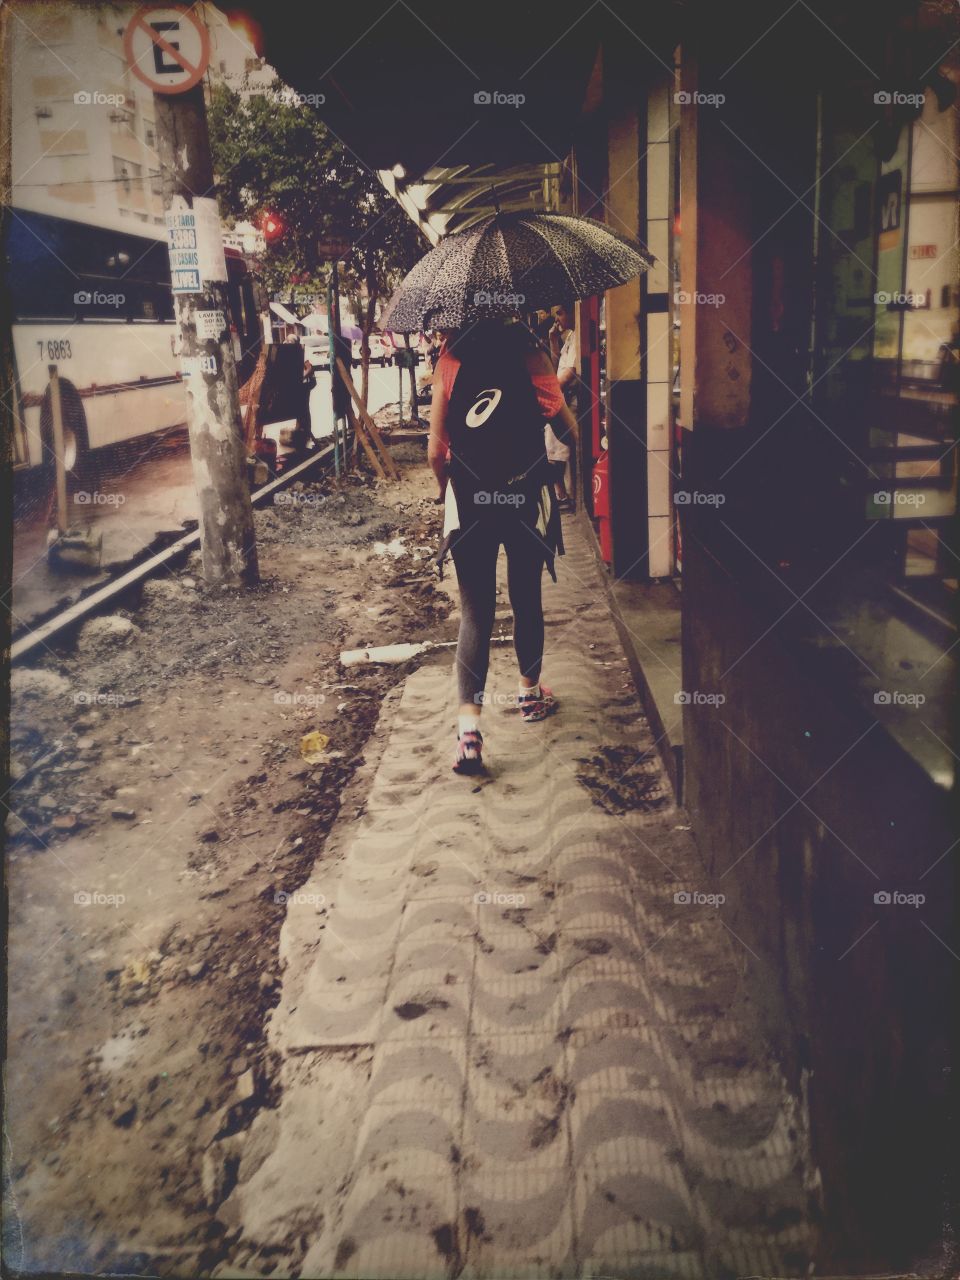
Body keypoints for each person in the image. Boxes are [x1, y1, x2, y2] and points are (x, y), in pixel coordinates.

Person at [428, 319, 579, 775]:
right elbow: (568, 430)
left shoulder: (449, 361)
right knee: (526, 597)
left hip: (468, 501)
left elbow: (436, 450)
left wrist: (443, 489)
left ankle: (469, 737)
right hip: (525, 496)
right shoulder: (532, 356)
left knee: (475, 613)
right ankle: (529, 696)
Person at [547, 300, 578, 511]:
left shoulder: (578, 339)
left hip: (566, 400)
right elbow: (556, 365)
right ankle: (560, 491)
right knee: (552, 446)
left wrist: (546, 390)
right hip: (558, 396)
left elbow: (569, 373)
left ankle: (561, 494)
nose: (557, 319)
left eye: (560, 313)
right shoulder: (569, 339)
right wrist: (553, 341)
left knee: (556, 447)